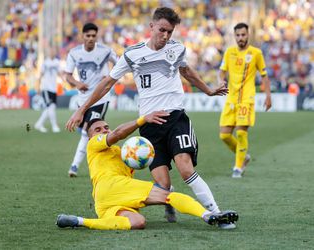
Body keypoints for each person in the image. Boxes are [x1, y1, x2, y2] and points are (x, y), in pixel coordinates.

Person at [66, 7, 228, 223]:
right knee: (162, 183)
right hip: (150, 124)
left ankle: (216, 212)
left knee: (185, 168)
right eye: (162, 30)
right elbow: (107, 84)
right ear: (151, 26)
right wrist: (82, 108)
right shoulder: (133, 54)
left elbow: (186, 71)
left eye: (170, 32)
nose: (166, 35)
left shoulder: (177, 49)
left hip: (175, 117)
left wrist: (208, 90)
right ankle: (169, 202)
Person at [57, 112, 238, 230]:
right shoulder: (93, 144)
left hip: (103, 201)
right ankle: (208, 215)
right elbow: (118, 133)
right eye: (98, 130)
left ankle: (79, 221)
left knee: (138, 222)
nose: (104, 130)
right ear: (90, 136)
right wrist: (142, 120)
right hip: (112, 185)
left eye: (106, 127)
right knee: (168, 195)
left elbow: (136, 160)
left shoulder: (123, 153)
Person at [218, 23, 272, 178]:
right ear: (234, 36)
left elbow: (264, 75)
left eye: (243, 35)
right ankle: (243, 155)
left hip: (247, 99)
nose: (241, 38)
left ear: (248, 35)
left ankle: (238, 167)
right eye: (238, 35)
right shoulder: (229, 52)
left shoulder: (256, 53)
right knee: (224, 135)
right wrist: (221, 81)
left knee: (241, 133)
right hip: (231, 99)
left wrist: (268, 96)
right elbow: (221, 72)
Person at [64, 22, 117, 177]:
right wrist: (77, 83)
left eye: (94, 36)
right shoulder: (74, 53)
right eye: (88, 36)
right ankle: (105, 161)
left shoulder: (105, 51)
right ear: (82, 36)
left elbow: (121, 63)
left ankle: (74, 166)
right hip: (83, 100)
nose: (91, 38)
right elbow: (67, 75)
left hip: (101, 99)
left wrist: (110, 77)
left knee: (87, 132)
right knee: (87, 132)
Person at [34, 49, 62, 133]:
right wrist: (38, 87)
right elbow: (40, 75)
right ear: (49, 52)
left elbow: (59, 73)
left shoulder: (57, 62)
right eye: (51, 51)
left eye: (53, 51)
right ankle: (54, 126)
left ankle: (39, 124)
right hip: (46, 88)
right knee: (50, 106)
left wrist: (65, 80)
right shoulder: (45, 63)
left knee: (50, 107)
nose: (52, 52)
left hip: (53, 88)